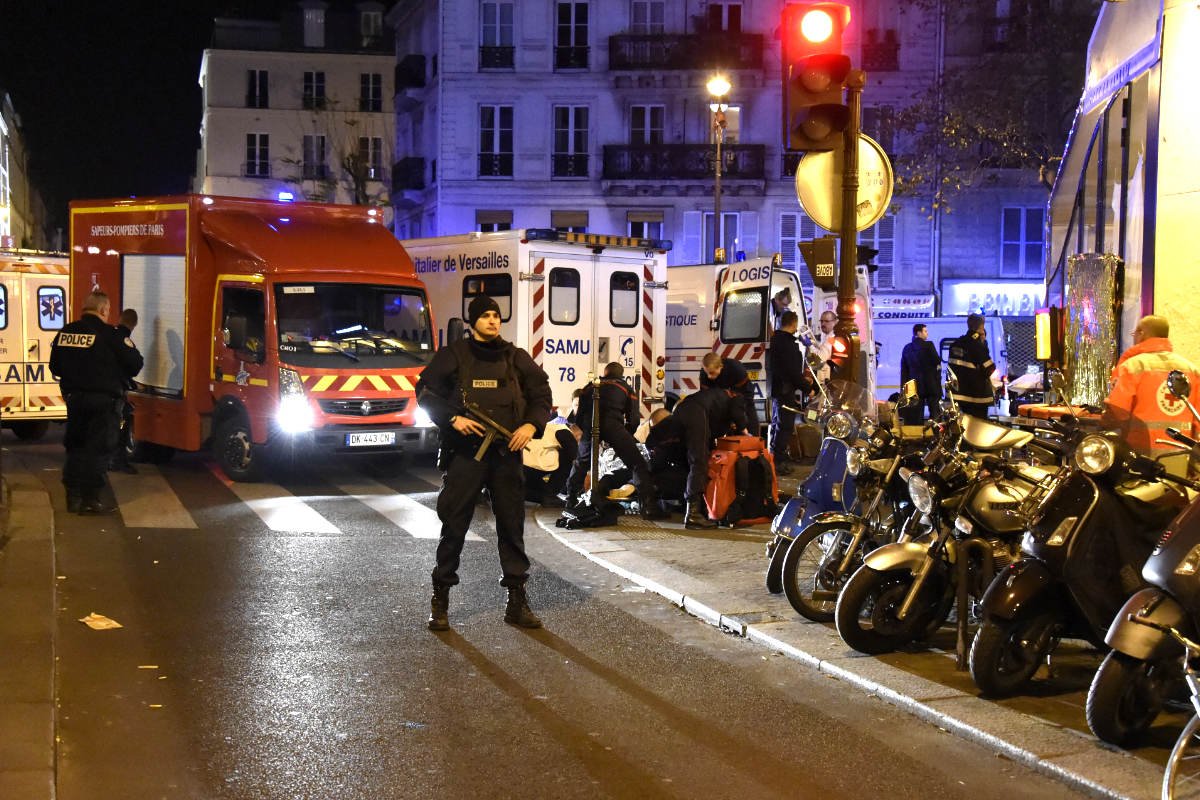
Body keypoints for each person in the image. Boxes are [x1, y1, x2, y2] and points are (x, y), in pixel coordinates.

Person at [415, 294, 554, 631]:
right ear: (472, 320)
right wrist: (452, 420)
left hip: (506, 456)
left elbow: (542, 394)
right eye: (486, 316)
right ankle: (441, 599)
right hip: (465, 454)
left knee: (512, 527)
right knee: (455, 525)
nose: (493, 321)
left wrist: (530, 425)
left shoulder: (515, 357)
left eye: (496, 315)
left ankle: (517, 601)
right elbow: (425, 392)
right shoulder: (454, 356)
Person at [49, 290, 144, 514]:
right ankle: (90, 500)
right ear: (103, 310)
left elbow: (55, 367)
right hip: (104, 403)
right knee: (98, 450)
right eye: (108, 310)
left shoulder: (65, 333)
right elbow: (135, 364)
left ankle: (72, 498)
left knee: (75, 448)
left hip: (75, 401)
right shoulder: (111, 335)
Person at [565, 362, 665, 519]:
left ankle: (570, 501)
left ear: (605, 372)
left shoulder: (589, 387)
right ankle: (649, 507)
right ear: (621, 374)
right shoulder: (625, 388)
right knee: (637, 463)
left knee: (581, 462)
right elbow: (633, 419)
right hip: (613, 425)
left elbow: (579, 414)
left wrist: (586, 432)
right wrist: (625, 438)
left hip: (591, 425)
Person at [646, 386, 746, 529]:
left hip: (683, 410)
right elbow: (738, 415)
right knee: (699, 461)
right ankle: (693, 514)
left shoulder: (714, 397)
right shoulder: (736, 397)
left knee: (695, 458)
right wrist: (744, 428)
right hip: (696, 414)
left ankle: (695, 506)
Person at [1103, 315, 1200, 455]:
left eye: (1135, 332)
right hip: (1180, 455)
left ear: (1141, 333)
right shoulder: (1191, 371)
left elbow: (1117, 414)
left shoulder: (1132, 367)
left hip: (1140, 457)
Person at [767, 311, 814, 476]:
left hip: (777, 389)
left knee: (777, 424)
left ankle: (775, 456)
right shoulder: (788, 345)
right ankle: (779, 461)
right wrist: (808, 388)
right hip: (786, 390)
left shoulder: (775, 341)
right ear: (794, 324)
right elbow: (793, 373)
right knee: (785, 426)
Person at [947, 313, 996, 419]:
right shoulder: (977, 345)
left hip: (958, 396)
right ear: (981, 327)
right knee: (978, 430)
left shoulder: (956, 344)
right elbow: (990, 368)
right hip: (976, 397)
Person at [109, 308, 140, 474]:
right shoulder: (125, 340)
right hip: (115, 391)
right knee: (121, 424)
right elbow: (135, 364)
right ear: (134, 324)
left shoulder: (107, 335)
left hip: (101, 389)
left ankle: (106, 460)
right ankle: (117, 461)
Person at [700, 352, 759, 434]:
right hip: (721, 400)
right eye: (707, 372)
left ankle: (754, 440)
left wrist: (741, 423)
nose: (709, 376)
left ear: (720, 366)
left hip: (741, 395)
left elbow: (746, 396)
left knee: (748, 416)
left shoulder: (736, 369)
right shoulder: (704, 375)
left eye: (712, 373)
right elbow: (706, 398)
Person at [523, 421, 580, 506]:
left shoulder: (551, 426)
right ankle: (550, 495)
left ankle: (534, 494)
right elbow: (576, 455)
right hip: (535, 469)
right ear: (578, 434)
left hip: (522, 467)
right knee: (569, 457)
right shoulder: (563, 430)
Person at [899, 322, 942, 424]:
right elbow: (937, 360)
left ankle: (917, 435)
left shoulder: (907, 348)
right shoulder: (929, 345)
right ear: (919, 333)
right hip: (930, 384)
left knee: (916, 413)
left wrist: (904, 387)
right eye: (925, 331)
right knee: (934, 411)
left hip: (914, 385)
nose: (927, 334)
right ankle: (934, 433)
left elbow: (904, 369)